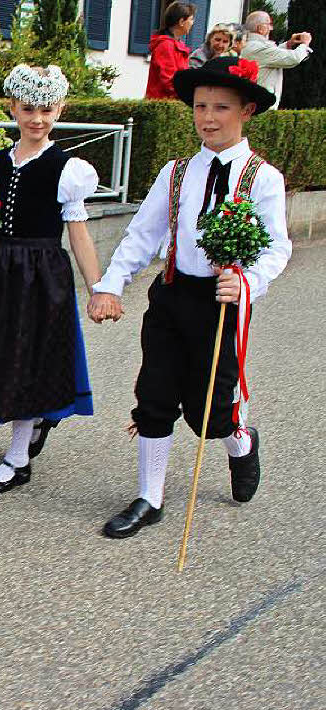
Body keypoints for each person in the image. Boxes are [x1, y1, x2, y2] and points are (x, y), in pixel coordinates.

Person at [87, 57, 291, 539]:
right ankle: (149, 497)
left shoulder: (263, 177)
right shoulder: (177, 172)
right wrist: (111, 285)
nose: (209, 117)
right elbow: (143, 232)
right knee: (155, 395)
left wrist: (247, 282)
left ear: (246, 110)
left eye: (222, 106)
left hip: (222, 303)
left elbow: (277, 245)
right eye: (201, 106)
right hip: (174, 294)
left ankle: (240, 441)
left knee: (210, 412)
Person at [0, 64, 101, 494]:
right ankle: (35, 422)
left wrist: (100, 289)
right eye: (28, 109)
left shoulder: (68, 169)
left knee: (26, 358)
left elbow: (77, 232)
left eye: (46, 109)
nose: (37, 119)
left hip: (42, 274)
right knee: (1, 355)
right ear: (13, 108)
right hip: (0, 270)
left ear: (60, 109)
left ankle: (17, 459)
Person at [242, 10, 313, 109]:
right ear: (260, 28)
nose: (271, 28)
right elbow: (293, 58)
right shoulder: (257, 47)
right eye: (269, 24)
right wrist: (305, 44)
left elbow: (272, 54)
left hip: (259, 102)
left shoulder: (253, 45)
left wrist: (289, 44)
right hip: (262, 105)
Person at [145, 2, 196, 100]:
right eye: (191, 19)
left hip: (171, 103)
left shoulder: (174, 44)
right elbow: (169, 80)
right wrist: (186, 97)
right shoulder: (166, 45)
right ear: (181, 21)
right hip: (163, 105)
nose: (192, 23)